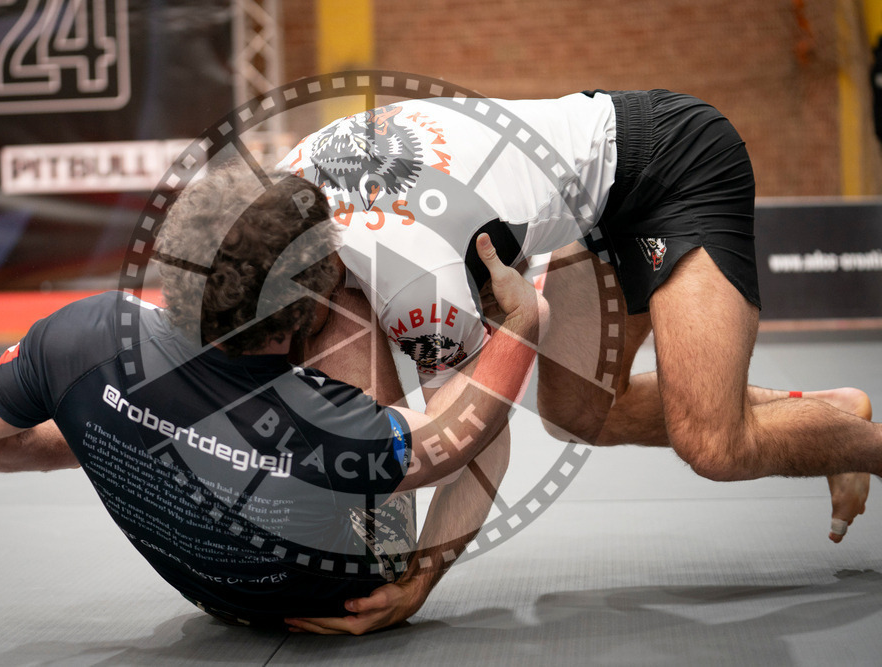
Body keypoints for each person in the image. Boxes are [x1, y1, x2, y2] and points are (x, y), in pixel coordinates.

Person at [279, 89, 881, 634]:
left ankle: (863, 445)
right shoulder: (277, 192)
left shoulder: (417, 280)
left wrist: (415, 584)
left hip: (675, 164)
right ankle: (828, 417)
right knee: (575, 412)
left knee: (712, 443)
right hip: (593, 207)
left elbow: (479, 438)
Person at [0, 161, 543, 629]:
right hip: (333, 596)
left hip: (209, 591)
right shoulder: (331, 430)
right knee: (391, 319)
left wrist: (107, 430)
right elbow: (461, 441)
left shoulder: (83, 335)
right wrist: (523, 323)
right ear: (293, 317)